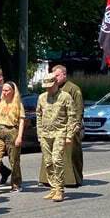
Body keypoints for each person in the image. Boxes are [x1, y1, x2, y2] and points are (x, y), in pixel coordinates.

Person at [36, 73, 74, 202]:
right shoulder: (42, 98)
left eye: (50, 86)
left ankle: (59, 189)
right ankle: (53, 187)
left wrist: (69, 135)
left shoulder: (65, 97)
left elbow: (72, 117)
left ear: (56, 83)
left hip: (60, 132)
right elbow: (38, 115)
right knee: (48, 162)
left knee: (57, 159)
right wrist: (39, 133)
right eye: (46, 87)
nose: (48, 89)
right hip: (45, 134)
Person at [52, 64, 84, 186]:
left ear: (64, 75)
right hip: (56, 127)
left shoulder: (73, 89)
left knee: (72, 154)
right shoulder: (53, 88)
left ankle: (74, 179)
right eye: (53, 76)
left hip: (70, 126)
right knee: (55, 155)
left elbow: (79, 108)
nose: (55, 78)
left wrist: (75, 126)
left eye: (57, 76)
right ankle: (53, 179)